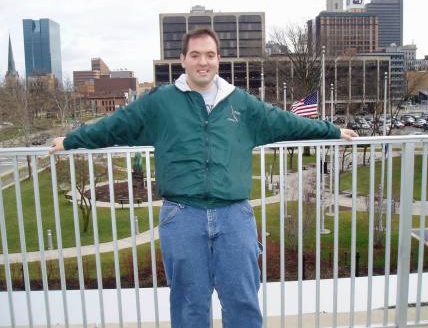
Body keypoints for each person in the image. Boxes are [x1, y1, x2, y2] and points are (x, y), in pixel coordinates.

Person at [51, 28, 357, 328]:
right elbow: (116, 125)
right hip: (182, 217)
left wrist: (332, 131)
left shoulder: (241, 104)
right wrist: (71, 140)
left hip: (235, 217)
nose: (203, 62)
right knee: (189, 306)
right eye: (195, 55)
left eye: (210, 55)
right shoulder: (161, 102)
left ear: (218, 60)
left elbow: (288, 122)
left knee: (243, 303)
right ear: (183, 60)